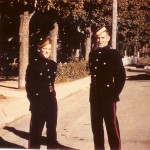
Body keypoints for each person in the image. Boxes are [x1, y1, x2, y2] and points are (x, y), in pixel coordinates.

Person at [89, 26, 126, 150]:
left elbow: (121, 77)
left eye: (102, 38)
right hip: (95, 97)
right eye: (98, 38)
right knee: (96, 129)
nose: (100, 40)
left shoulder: (113, 54)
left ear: (108, 38)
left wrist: (114, 93)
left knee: (112, 128)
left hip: (108, 98)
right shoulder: (92, 54)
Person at [25, 35, 58, 149]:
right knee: (36, 133)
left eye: (49, 49)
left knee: (52, 132)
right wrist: (34, 102)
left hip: (51, 102)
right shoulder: (32, 66)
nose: (47, 51)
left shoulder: (53, 65)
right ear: (39, 49)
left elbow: (51, 84)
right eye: (45, 49)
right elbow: (29, 88)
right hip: (38, 103)